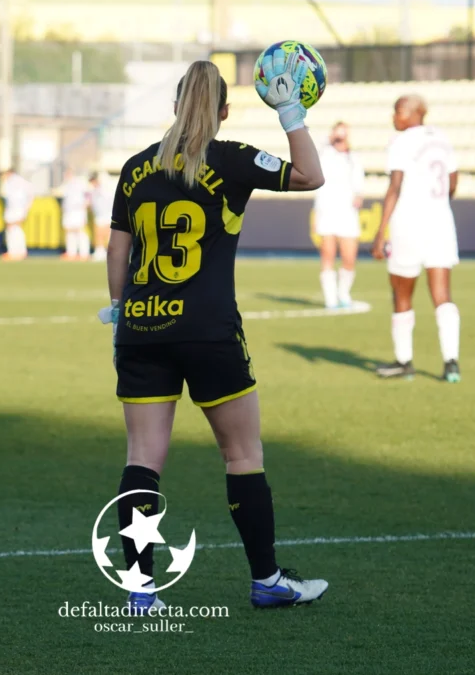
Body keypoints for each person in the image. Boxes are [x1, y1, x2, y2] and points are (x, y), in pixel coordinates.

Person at [99, 57, 328, 611]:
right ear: (225, 110)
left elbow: (117, 250)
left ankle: (139, 588)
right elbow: (310, 176)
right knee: (242, 454)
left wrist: (117, 310)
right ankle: (267, 580)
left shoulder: (135, 167)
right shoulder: (231, 158)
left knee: (143, 457)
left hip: (142, 325)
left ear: (176, 105)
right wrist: (291, 115)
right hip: (207, 328)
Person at [371, 95, 461, 383]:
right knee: (442, 293)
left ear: (413, 114)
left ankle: (404, 361)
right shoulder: (442, 138)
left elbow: (395, 187)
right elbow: (453, 182)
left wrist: (380, 231)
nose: (394, 117)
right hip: (441, 222)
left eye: (398, 111)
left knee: (401, 290)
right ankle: (451, 364)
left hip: (409, 222)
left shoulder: (402, 142)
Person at [314, 122, 364, 308]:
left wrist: (359, 195)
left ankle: (344, 294)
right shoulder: (325, 152)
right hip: (327, 209)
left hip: (347, 212)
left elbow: (359, 183)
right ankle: (331, 299)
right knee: (328, 255)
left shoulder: (353, 157)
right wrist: (330, 138)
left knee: (349, 257)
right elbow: (315, 145)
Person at [58, 169, 91, 261]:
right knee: (69, 232)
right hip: (69, 211)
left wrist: (86, 204)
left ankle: (84, 253)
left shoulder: (80, 183)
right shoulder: (66, 185)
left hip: (78, 210)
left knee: (80, 231)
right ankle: (71, 252)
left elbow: (88, 194)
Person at [0, 169, 32, 261]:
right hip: (15, 209)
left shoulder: (15, 182)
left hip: (17, 209)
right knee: (13, 229)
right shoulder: (13, 182)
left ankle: (17, 252)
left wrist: (25, 209)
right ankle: (16, 252)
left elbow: (28, 194)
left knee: (15, 229)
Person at [89, 170, 115, 262]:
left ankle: (107, 252)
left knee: (106, 234)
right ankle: (99, 251)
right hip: (99, 215)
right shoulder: (94, 190)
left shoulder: (105, 189)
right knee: (98, 234)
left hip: (106, 214)